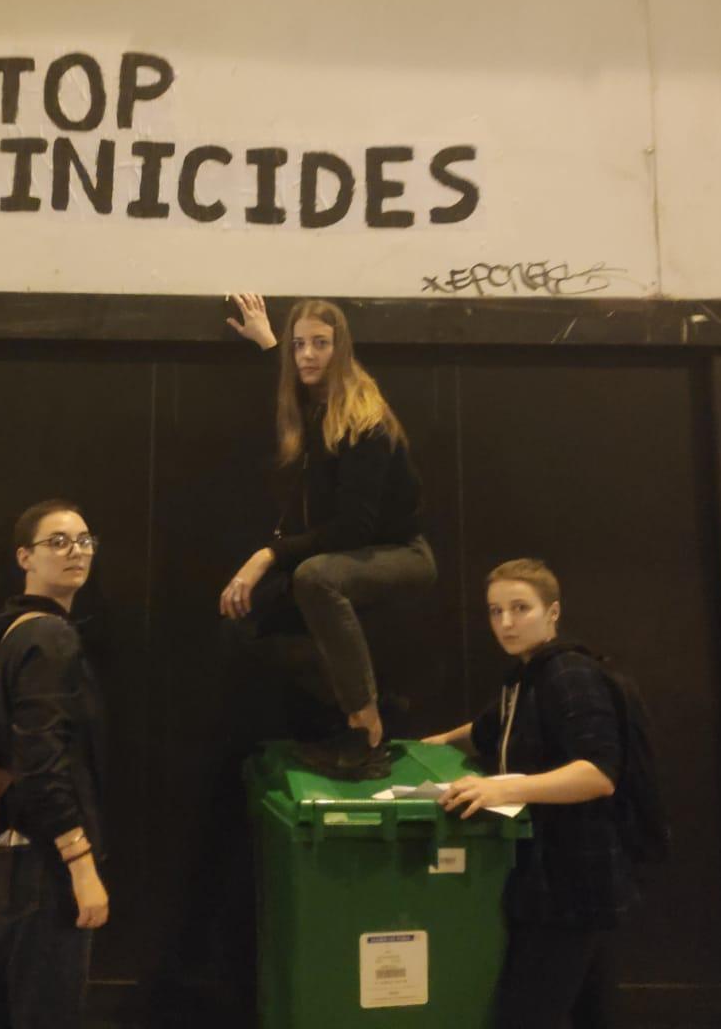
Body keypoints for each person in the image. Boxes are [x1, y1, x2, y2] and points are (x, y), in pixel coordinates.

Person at [221, 292, 437, 778]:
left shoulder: (364, 419)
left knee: (314, 577)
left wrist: (267, 555)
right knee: (248, 617)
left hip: (403, 553)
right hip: (358, 551)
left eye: (320, 344)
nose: (307, 355)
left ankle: (366, 728)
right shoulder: (313, 403)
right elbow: (293, 383)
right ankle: (366, 707)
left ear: (341, 349)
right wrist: (269, 342)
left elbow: (353, 528)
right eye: (299, 345)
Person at [425, 558, 636, 1029]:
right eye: (495, 611)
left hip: (570, 880)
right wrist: (434, 744)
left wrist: (503, 785)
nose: (506, 622)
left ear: (552, 611)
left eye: (521, 608)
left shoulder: (568, 675)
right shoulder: (526, 676)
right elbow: (487, 728)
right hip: (558, 877)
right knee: (587, 1011)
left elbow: (598, 773)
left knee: (526, 1015)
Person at [0, 499, 109, 1029]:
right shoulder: (47, 636)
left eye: (85, 541)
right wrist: (81, 862)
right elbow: (41, 759)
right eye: (58, 542)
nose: (76, 552)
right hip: (38, 865)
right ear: (25, 557)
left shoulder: (6, 633)